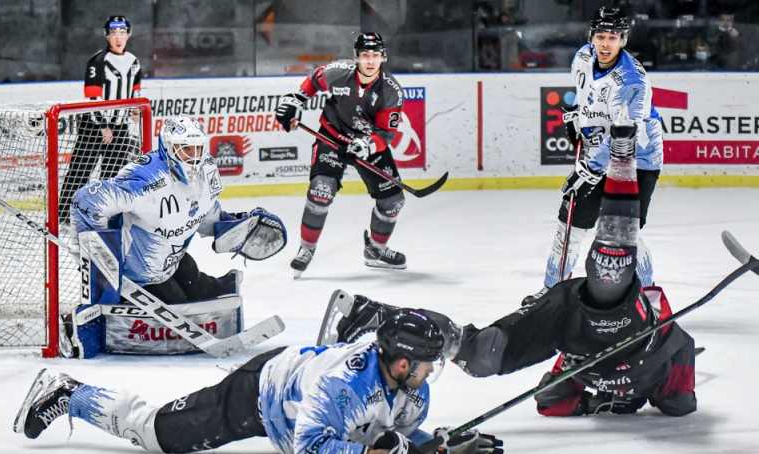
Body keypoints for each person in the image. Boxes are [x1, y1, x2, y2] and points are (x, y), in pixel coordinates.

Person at [322, 116, 696, 418]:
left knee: (480, 358)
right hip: (575, 311)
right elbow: (681, 400)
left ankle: (375, 314)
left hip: (572, 329)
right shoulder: (671, 345)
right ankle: (622, 155)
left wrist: (599, 402)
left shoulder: (597, 369)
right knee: (613, 267)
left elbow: (550, 402)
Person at [14, 310, 504, 454]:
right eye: (424, 365)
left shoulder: (409, 390)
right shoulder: (341, 383)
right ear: (401, 362)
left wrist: (440, 448)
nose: (429, 373)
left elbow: (394, 433)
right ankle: (69, 391)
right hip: (259, 394)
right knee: (156, 432)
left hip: (302, 407)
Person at [64, 114, 286, 357]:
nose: (193, 156)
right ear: (168, 149)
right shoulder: (149, 180)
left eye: (198, 148)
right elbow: (87, 200)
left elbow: (203, 214)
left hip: (173, 259)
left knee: (202, 285)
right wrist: (95, 258)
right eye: (185, 149)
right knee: (179, 300)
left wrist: (232, 227)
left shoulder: (207, 170)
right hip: (137, 276)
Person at [522, 7, 663, 305]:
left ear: (623, 41)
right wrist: (579, 119)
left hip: (637, 160)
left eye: (612, 38)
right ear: (592, 38)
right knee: (569, 226)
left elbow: (625, 136)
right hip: (599, 155)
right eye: (600, 36)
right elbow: (589, 99)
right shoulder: (583, 57)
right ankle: (551, 294)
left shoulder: (631, 81)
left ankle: (648, 297)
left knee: (623, 233)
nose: (605, 44)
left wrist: (589, 169)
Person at [274, 33, 409, 278]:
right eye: (365, 55)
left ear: (383, 58)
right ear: (356, 57)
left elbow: (384, 135)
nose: (370, 61)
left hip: (367, 144)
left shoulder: (391, 91)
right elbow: (312, 83)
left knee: (393, 203)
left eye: (375, 56)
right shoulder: (338, 72)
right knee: (321, 190)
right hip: (333, 137)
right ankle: (306, 249)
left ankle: (376, 251)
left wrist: (365, 146)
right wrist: (294, 101)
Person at [59, 15, 143, 223]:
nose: (118, 37)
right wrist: (103, 126)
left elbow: (135, 91)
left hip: (120, 125)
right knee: (81, 169)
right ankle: (65, 212)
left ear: (128, 36)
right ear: (107, 36)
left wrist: (134, 110)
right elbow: (93, 96)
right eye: (114, 33)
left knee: (114, 172)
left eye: (122, 33)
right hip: (94, 125)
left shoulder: (133, 62)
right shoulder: (98, 61)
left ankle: (106, 210)